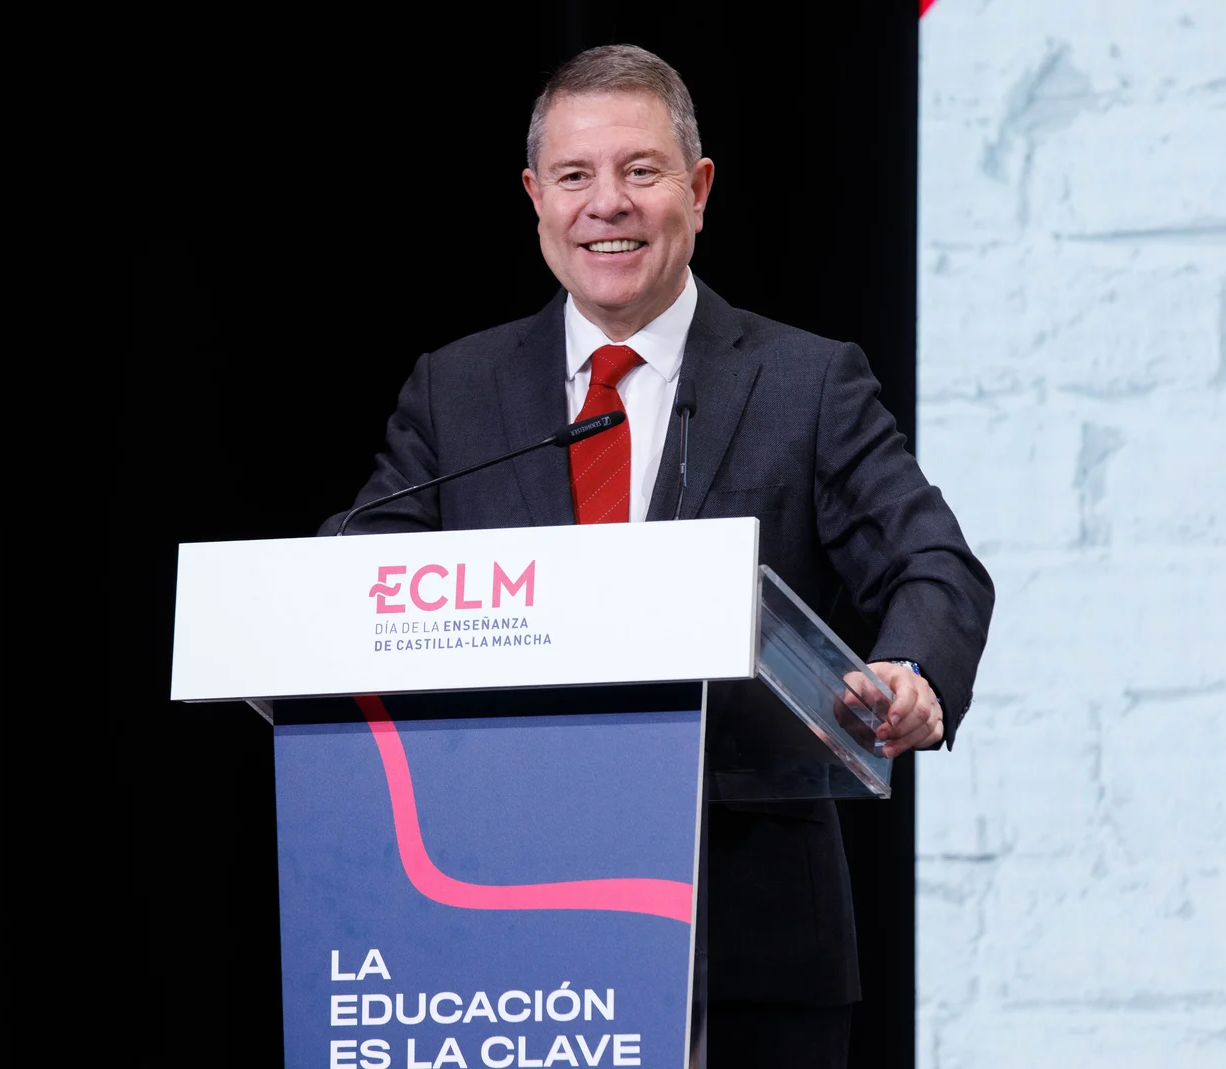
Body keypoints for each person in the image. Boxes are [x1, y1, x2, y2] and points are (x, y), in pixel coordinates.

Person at [321, 44, 993, 1069]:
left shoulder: (807, 382)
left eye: (640, 171)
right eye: (576, 176)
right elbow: (359, 571)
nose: (608, 205)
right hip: (500, 949)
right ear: (534, 197)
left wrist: (912, 672)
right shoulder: (454, 393)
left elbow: (934, 563)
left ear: (698, 187)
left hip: (753, 952)